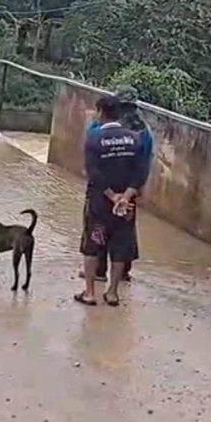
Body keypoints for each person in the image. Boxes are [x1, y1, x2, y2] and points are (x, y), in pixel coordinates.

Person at [75, 95, 149, 307]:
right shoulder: (135, 138)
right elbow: (141, 172)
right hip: (126, 206)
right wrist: (125, 197)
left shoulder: (94, 138)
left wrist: (111, 195)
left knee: (92, 244)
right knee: (120, 245)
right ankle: (113, 293)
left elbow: (93, 173)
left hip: (99, 204)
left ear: (101, 113)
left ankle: (89, 292)